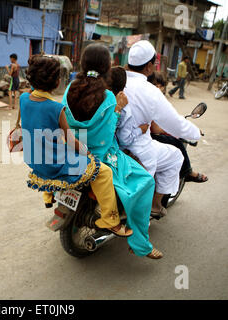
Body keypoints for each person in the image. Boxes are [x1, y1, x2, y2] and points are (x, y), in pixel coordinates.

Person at [62, 44, 162, 259]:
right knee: (146, 182)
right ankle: (139, 243)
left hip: (72, 151)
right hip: (101, 156)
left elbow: (65, 123)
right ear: (107, 66)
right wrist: (117, 109)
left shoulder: (70, 88)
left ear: (83, 63)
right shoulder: (108, 97)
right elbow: (106, 137)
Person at [21, 54, 132, 238]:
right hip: (54, 164)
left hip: (34, 160)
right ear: (58, 82)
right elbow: (72, 141)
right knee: (103, 172)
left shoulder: (23, 99)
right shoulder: (56, 109)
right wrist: (88, 154)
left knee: (54, 149)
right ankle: (111, 220)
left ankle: (48, 195)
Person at [121, 40, 200, 217]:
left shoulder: (117, 81)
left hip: (113, 145)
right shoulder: (150, 92)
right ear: (149, 66)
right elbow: (176, 124)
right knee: (176, 156)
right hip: (137, 148)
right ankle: (155, 205)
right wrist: (196, 133)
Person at [148, 72, 208, 183]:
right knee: (177, 145)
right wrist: (171, 131)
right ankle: (188, 172)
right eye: (157, 85)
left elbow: (169, 118)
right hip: (147, 139)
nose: (159, 88)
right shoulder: (153, 99)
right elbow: (156, 129)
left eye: (161, 86)